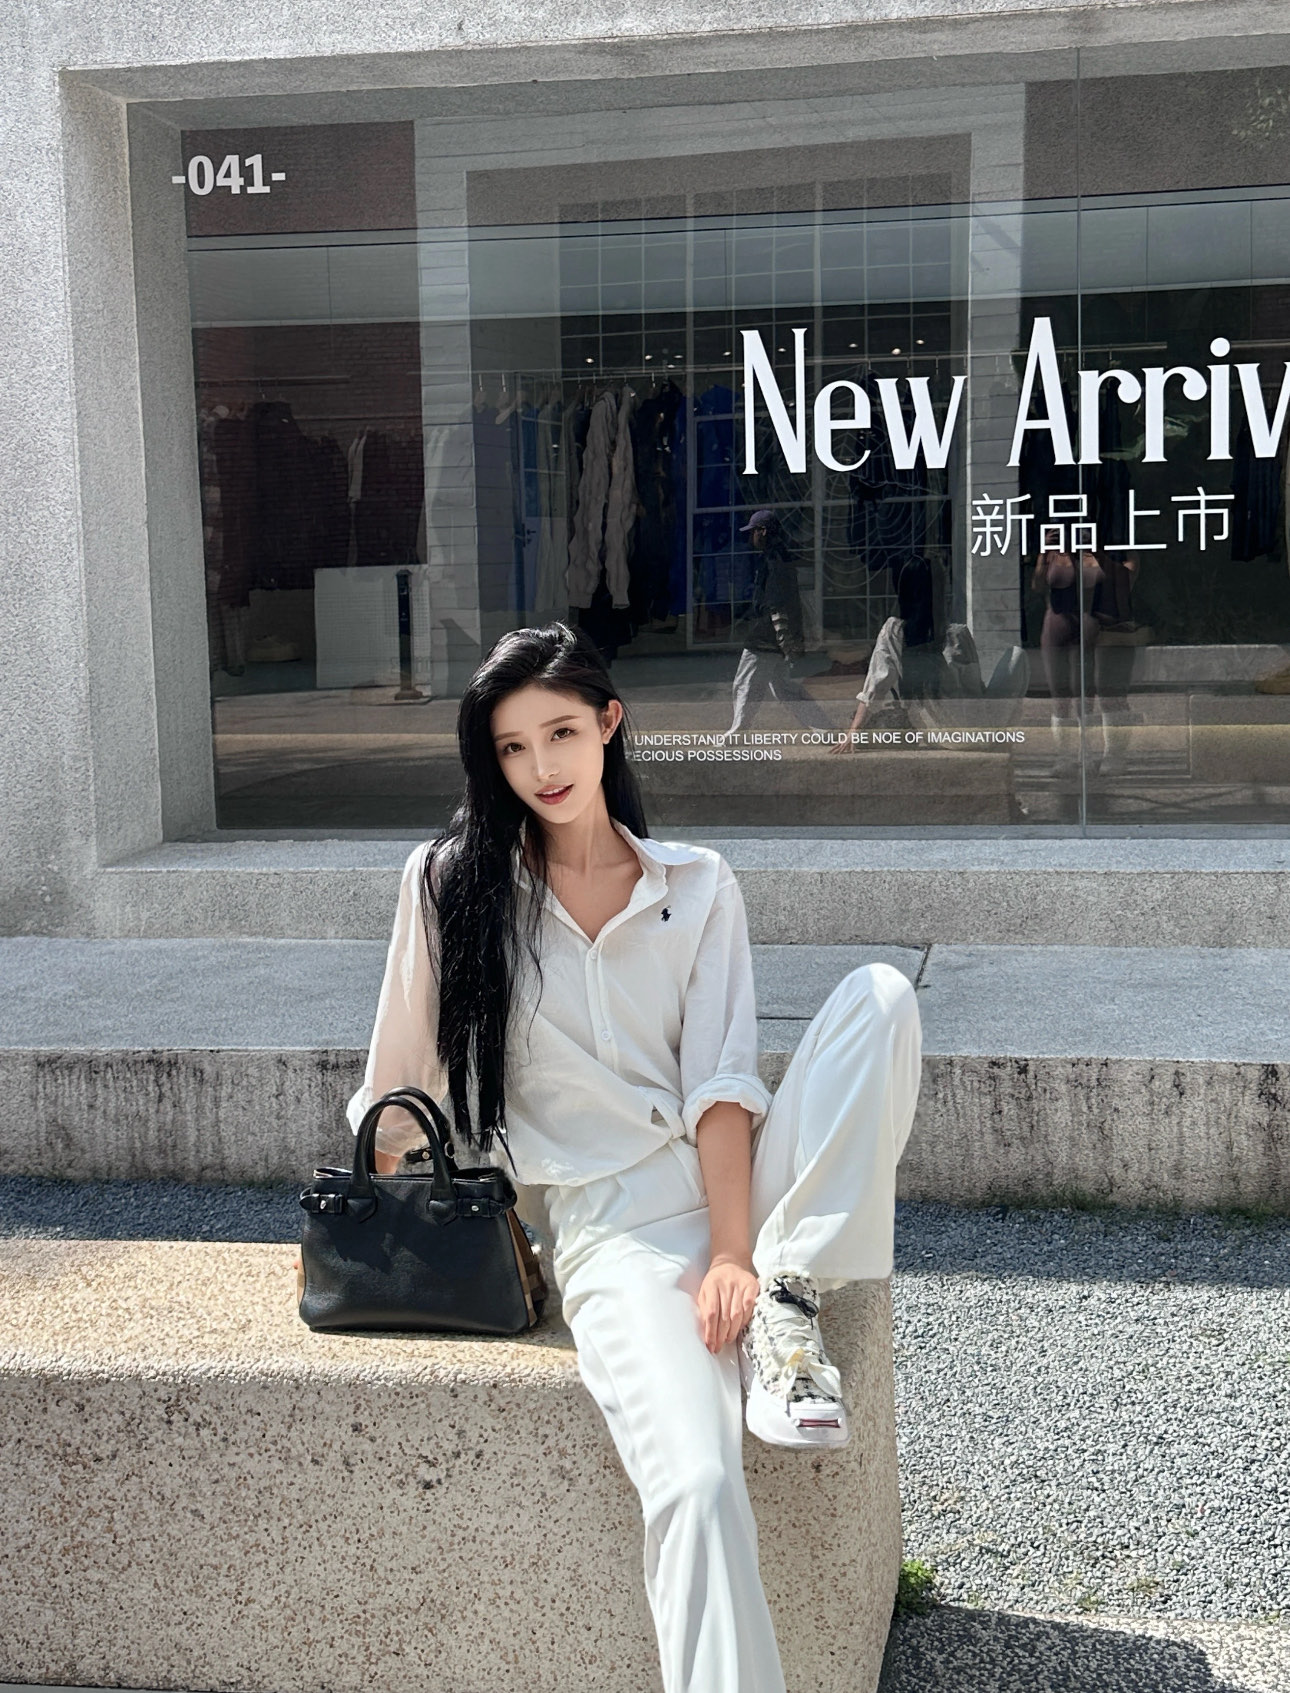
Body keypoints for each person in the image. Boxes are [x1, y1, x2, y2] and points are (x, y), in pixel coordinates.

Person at [348, 620, 922, 1693]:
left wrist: (738, 1254)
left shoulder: (696, 885)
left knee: (881, 998)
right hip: (611, 1229)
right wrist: (370, 1224)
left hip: (742, 1193)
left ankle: (788, 1292)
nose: (542, 766)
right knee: (697, 1487)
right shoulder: (452, 886)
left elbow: (721, 1086)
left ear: (609, 722)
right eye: (513, 746)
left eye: (561, 732)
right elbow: (397, 1088)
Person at [830, 556, 986, 752]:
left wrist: (854, 730)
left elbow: (874, 687)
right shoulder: (960, 635)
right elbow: (976, 689)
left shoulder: (894, 632)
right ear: (941, 591)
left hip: (940, 734)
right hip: (977, 732)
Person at [722, 508, 835, 737]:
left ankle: (737, 733)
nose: (751, 537)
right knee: (784, 689)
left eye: (753, 531)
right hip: (776, 635)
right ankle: (825, 730)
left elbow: (776, 603)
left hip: (766, 636)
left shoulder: (774, 561)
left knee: (745, 685)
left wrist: (781, 636)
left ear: (763, 531)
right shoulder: (781, 557)